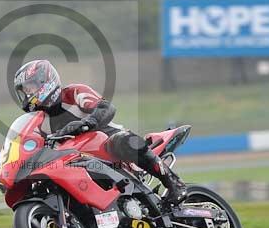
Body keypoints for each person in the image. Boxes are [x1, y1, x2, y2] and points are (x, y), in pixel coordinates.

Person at [12, 59, 187, 204]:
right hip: (78, 162)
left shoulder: (73, 93)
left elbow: (106, 107)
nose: (28, 94)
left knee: (124, 140)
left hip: (109, 145)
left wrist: (87, 123)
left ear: (45, 81)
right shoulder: (40, 122)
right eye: (25, 91)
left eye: (30, 88)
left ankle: (174, 183)